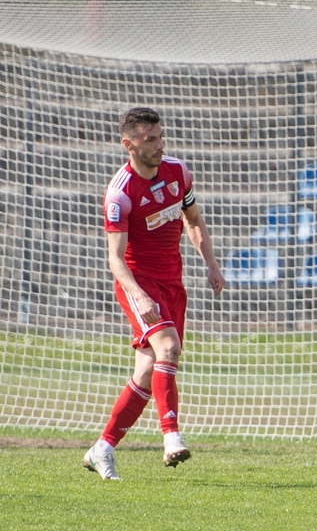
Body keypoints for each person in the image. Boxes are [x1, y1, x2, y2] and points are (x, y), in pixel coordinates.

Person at [83, 107, 225, 480]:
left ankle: (103, 448)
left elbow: (193, 221)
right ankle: (171, 437)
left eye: (160, 137)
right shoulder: (120, 193)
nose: (159, 145)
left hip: (172, 283)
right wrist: (140, 296)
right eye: (150, 140)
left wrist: (211, 263)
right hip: (138, 282)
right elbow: (115, 259)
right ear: (128, 144)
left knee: (147, 372)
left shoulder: (178, 172)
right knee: (168, 348)